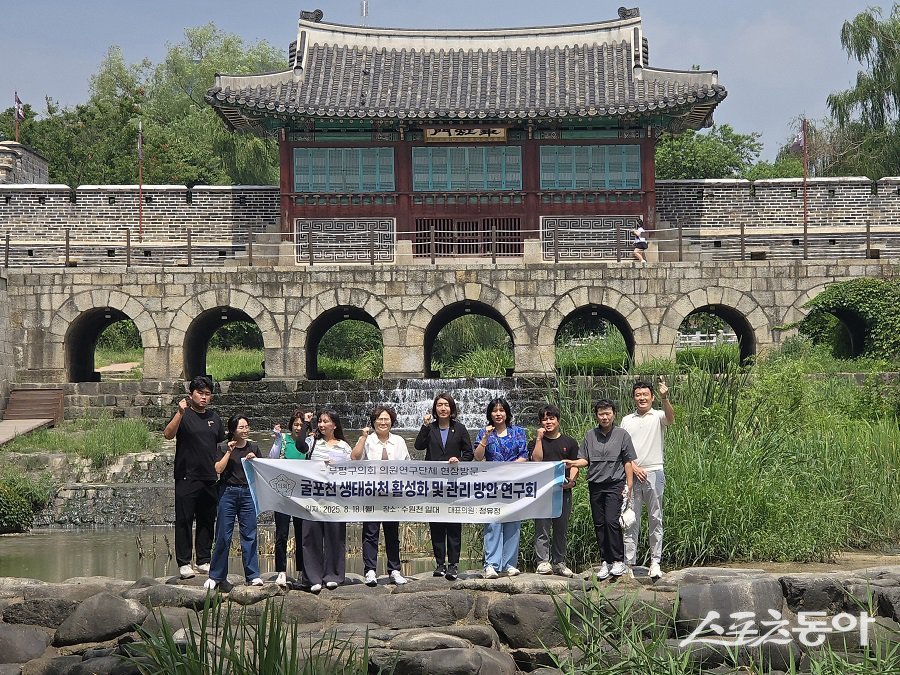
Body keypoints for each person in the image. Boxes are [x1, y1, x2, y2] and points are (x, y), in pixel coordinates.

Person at [163, 375, 224, 580]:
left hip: (209, 477)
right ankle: (184, 562)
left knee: (207, 520)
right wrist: (179, 413)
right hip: (186, 476)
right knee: (184, 520)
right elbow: (168, 434)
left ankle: (203, 560)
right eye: (200, 393)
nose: (204, 397)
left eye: (208, 394)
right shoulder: (184, 414)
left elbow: (219, 445)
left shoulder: (215, 418)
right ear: (191, 395)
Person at [568, 399, 636, 581]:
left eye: (608, 413)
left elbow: (628, 461)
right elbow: (585, 460)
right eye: (601, 414)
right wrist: (573, 463)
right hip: (595, 484)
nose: (605, 417)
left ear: (614, 414)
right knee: (599, 523)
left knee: (611, 521)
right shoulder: (590, 435)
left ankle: (618, 560)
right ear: (596, 416)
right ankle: (605, 561)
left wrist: (629, 485)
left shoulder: (622, 435)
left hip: (615, 483)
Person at [414, 392, 474, 581]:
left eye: (446, 405)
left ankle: (453, 565)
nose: (443, 408)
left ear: (451, 408)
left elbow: (469, 453)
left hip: (454, 483)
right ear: (435, 408)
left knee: (454, 525)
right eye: (439, 405)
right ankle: (440, 563)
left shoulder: (460, 428)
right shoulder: (430, 428)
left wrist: (459, 460)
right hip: (434, 484)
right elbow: (418, 446)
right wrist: (424, 426)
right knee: (437, 524)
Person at [620, 378, 674, 580]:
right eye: (638, 395)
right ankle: (629, 563)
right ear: (633, 397)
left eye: (645, 395)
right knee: (630, 519)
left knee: (655, 518)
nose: (642, 398)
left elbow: (671, 419)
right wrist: (633, 466)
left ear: (652, 397)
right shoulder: (627, 420)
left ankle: (655, 562)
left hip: (654, 472)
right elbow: (622, 448)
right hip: (632, 474)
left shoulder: (658, 415)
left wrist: (665, 398)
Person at [352, 405, 411, 587]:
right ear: (374, 421)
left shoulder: (399, 441)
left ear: (391, 421)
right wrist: (362, 437)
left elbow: (408, 465)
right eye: (379, 419)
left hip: (393, 494)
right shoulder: (368, 440)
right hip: (371, 493)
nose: (383, 422)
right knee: (370, 532)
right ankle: (370, 570)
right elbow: (355, 458)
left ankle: (394, 570)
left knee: (392, 532)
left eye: (386, 419)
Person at [204, 413, 261, 590]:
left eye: (247, 426)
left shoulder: (253, 447)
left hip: (248, 493)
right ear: (233, 430)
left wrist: (255, 460)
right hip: (227, 492)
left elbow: (261, 471)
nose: (245, 430)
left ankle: (253, 575)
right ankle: (216, 576)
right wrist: (229, 452)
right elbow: (218, 469)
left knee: (249, 535)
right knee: (223, 535)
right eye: (241, 427)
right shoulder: (222, 446)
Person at [474, 397, 528, 579]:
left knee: (513, 522)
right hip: (492, 485)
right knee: (493, 523)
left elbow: (524, 455)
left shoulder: (518, 432)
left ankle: (510, 564)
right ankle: (491, 564)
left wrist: (508, 468)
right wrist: (485, 438)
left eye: (501, 410)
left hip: (514, 483)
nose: (498, 414)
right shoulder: (484, 432)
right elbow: (478, 457)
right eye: (494, 410)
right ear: (490, 414)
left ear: (507, 413)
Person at [302, 409, 352, 593]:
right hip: (313, 496)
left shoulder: (344, 446)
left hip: (335, 497)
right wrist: (306, 424)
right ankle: (313, 578)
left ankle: (333, 576)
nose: (322, 425)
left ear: (335, 425)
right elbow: (300, 446)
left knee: (335, 535)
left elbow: (353, 469)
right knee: (311, 536)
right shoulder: (312, 442)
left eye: (326, 421)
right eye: (320, 421)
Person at [529, 404, 579, 578]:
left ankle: (559, 562)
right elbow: (536, 460)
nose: (548, 422)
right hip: (542, 491)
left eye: (551, 418)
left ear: (558, 420)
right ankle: (542, 562)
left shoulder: (569, 442)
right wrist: (538, 439)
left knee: (561, 528)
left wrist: (572, 481)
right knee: (542, 527)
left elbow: (574, 464)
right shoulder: (535, 442)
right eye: (544, 419)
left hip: (563, 490)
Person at [268, 409, 315, 587]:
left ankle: (302, 571)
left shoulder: (308, 442)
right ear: (290, 425)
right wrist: (276, 439)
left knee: (302, 534)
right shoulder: (283, 440)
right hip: (283, 494)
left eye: (301, 425)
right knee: (281, 534)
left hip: (302, 495)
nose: (298, 428)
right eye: (295, 424)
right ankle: (281, 571)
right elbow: (272, 457)